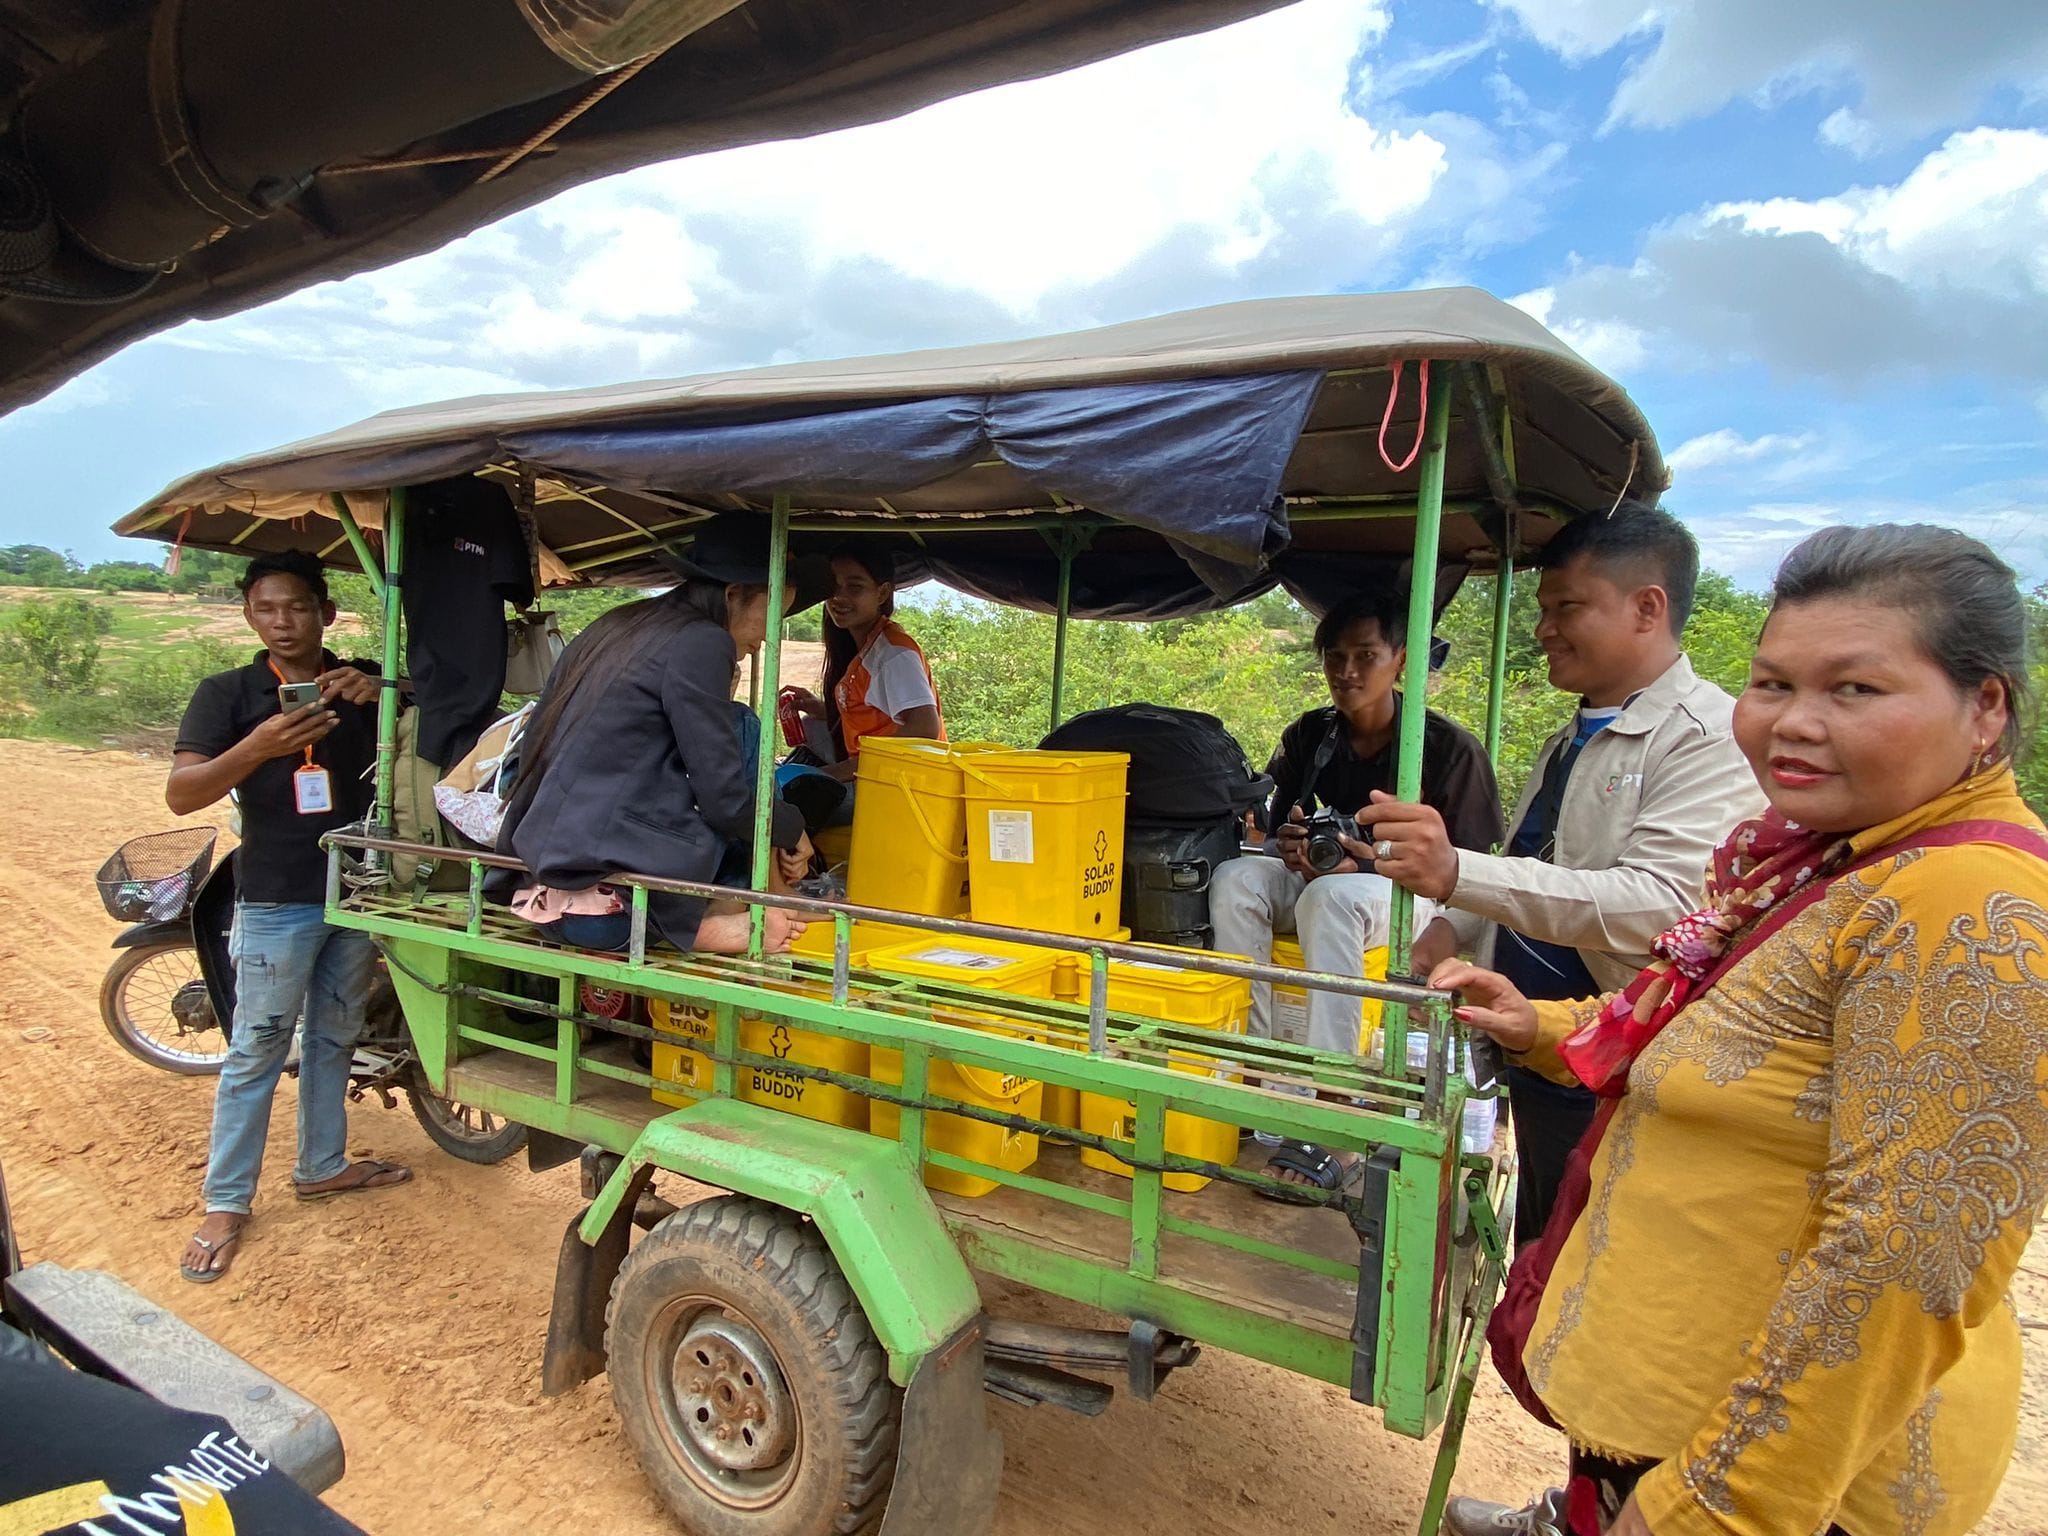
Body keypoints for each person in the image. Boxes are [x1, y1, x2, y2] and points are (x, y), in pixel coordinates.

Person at [1437, 524, 2048, 1536]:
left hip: (1776, 1485)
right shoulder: (1818, 861)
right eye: (1770, 685)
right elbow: (1711, 1025)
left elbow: (1901, 1260)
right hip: (1668, 1419)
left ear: (1982, 707)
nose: (1792, 723)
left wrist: (1722, 1508)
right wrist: (1540, 1023)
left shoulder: (1969, 905)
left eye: (1852, 690)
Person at [1361, 506, 1764, 1247]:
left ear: (1648, 608)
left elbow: (1663, 907)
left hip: (1621, 1056)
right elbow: (1533, 866)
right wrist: (1446, 932)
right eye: (1544, 609)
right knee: (1540, 1243)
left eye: (1566, 607)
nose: (1545, 628)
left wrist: (1455, 874)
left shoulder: (1708, 741)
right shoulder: (1572, 738)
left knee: (1594, 1251)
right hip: (1541, 1045)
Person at [1209, 588, 1503, 1193]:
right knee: (1236, 877)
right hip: (1324, 882)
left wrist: (1374, 862)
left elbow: (1470, 871)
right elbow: (1275, 827)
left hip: (1409, 896)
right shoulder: (1310, 735)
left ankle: (1333, 1108)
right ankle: (1259, 1072)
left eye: (1365, 655)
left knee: (1332, 898)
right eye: (1334, 657)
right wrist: (1288, 844)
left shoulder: (1449, 749)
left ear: (1401, 661)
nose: (1346, 672)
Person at [170, 551, 411, 1286]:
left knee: (336, 1033)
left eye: (299, 607)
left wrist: (387, 690)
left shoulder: (361, 678)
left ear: (326, 614)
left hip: (355, 892)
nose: (284, 622)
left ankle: (322, 1166)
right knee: (258, 1048)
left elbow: (453, 716)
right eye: (268, 608)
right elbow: (182, 794)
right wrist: (256, 747)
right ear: (250, 614)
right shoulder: (228, 694)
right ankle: (225, 1202)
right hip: (276, 894)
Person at [492, 515, 814, 956]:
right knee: (743, 726)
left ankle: (730, 901)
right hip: (615, 905)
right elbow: (725, 798)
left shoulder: (617, 624)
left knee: (735, 731)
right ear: (734, 595)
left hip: (540, 881)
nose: (767, 638)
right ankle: (719, 917)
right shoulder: (702, 641)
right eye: (772, 615)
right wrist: (791, 828)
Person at [781, 546, 943, 781]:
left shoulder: (894, 653)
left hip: (897, 786)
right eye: (833, 587)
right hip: (871, 774)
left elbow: (926, 726)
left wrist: (837, 772)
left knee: (784, 804)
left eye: (855, 587)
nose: (838, 597)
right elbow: (875, 715)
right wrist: (825, 709)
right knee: (810, 725)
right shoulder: (869, 647)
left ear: (882, 593)